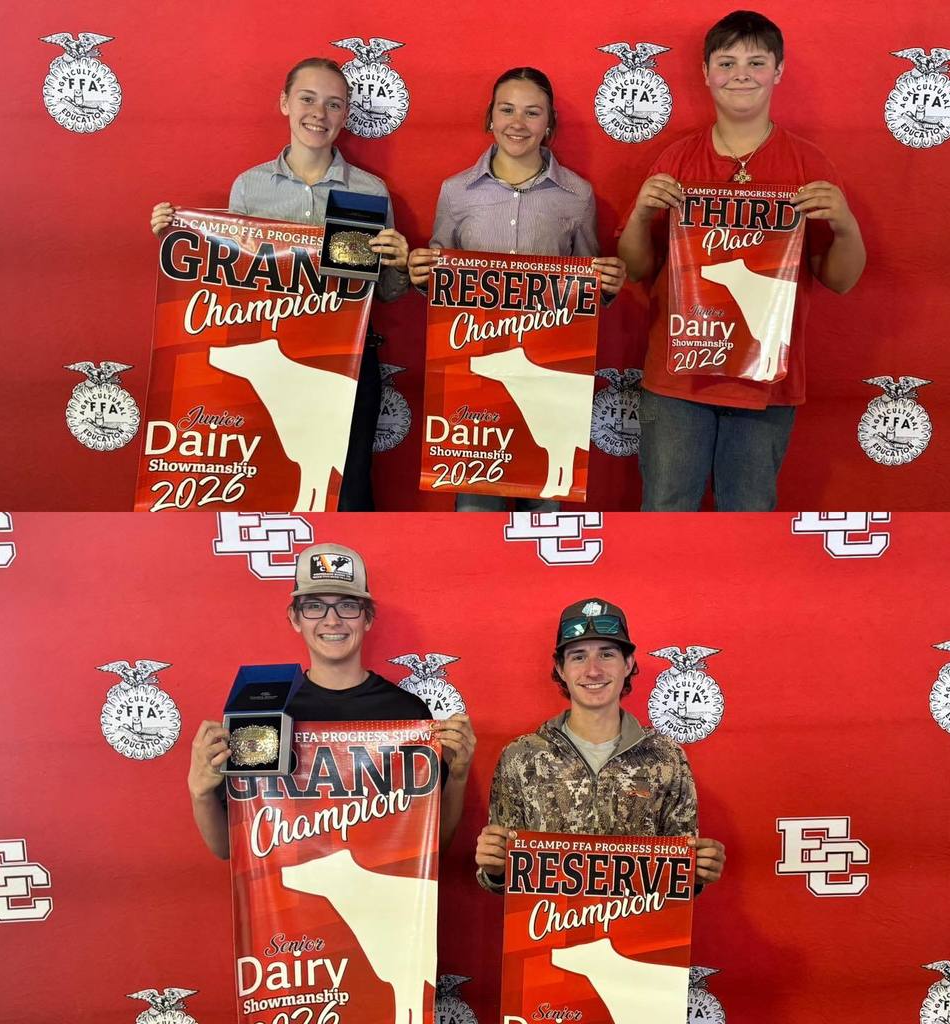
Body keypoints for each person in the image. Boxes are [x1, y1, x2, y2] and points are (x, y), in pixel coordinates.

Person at [617, 11, 867, 511]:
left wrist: (845, 222)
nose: (741, 73)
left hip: (766, 382)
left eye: (756, 61)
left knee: (749, 518)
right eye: (727, 62)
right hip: (677, 377)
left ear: (779, 71)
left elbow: (840, 280)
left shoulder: (808, 164)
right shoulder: (676, 160)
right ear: (706, 72)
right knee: (666, 511)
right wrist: (642, 215)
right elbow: (636, 269)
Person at [150, 58, 411, 510]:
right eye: (307, 99)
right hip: (273, 361)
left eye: (333, 104)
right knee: (271, 477)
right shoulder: (251, 188)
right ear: (285, 103)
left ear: (346, 115)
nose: (319, 113)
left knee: (347, 490)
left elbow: (384, 293)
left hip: (345, 363)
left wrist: (399, 263)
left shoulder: (370, 191)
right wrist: (178, 236)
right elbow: (230, 282)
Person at [407, 66, 627, 512]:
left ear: (549, 124)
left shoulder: (577, 195)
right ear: (490, 117)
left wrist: (607, 285)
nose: (518, 123)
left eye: (532, 112)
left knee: (545, 508)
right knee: (474, 513)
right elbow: (437, 285)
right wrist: (419, 273)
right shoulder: (456, 192)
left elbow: (589, 288)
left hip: (549, 376)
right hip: (472, 378)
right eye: (507, 110)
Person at [188, 542, 476, 859]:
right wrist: (200, 792)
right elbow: (228, 849)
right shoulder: (262, 714)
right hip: (285, 903)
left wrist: (458, 777)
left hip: (383, 901)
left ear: (367, 618)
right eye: (314, 606)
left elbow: (435, 847)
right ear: (295, 618)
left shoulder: (407, 713)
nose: (332, 620)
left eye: (347, 605)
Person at [475, 598, 725, 892]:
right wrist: (495, 869)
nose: (593, 671)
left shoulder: (666, 756)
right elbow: (503, 879)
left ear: (628, 664)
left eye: (606, 655)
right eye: (578, 657)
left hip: (638, 931)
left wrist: (698, 871)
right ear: (560, 668)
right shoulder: (522, 757)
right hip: (548, 930)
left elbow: (680, 877)